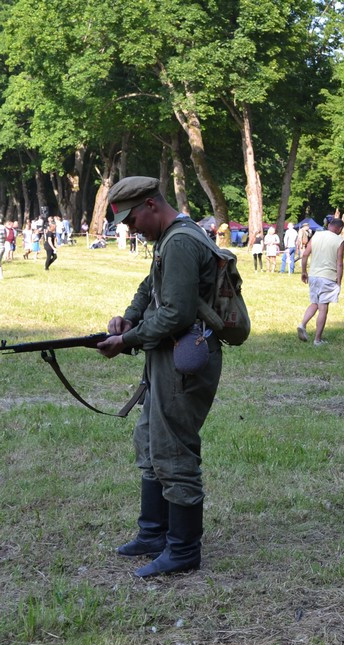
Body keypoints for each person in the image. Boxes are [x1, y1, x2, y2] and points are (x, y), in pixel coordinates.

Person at [96, 176, 224, 578]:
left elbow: (177, 315)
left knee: (174, 452)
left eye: (132, 221)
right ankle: (154, 534)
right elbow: (150, 285)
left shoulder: (182, 241)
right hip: (166, 355)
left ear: (151, 204)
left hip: (184, 358)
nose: (131, 230)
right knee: (150, 440)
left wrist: (127, 339)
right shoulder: (169, 239)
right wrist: (130, 317)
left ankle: (183, 550)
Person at [298, 218, 344, 346]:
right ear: (340, 229)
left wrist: (304, 271)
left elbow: (305, 254)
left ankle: (302, 324)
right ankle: (317, 340)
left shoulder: (316, 235)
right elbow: (339, 263)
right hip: (328, 276)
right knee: (323, 307)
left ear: (329, 225)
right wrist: (339, 281)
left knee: (314, 302)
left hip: (313, 275)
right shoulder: (339, 240)